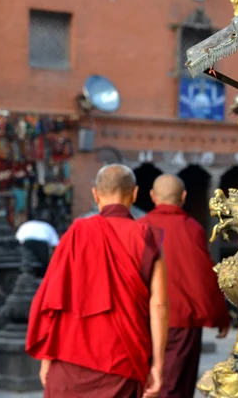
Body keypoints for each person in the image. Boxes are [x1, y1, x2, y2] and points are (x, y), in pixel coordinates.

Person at [26, 164, 168, 398]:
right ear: (134, 194)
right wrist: (158, 366)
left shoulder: (76, 232)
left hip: (69, 361)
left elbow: (53, 298)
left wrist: (46, 360)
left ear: (95, 193)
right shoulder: (146, 238)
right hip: (122, 362)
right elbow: (159, 306)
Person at [138, 174, 230, 398]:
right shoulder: (192, 228)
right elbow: (204, 276)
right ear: (183, 197)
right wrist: (221, 315)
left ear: (152, 196)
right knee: (175, 387)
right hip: (183, 325)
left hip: (145, 320)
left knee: (144, 385)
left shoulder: (140, 227)